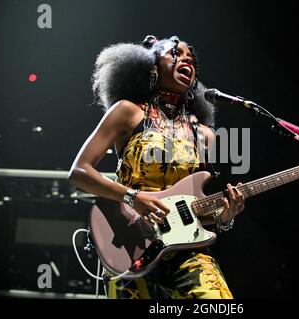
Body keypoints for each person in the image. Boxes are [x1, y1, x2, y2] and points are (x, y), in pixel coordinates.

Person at [68, 35, 245, 299]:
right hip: (128, 243)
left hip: (187, 250)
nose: (187, 59)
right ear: (150, 65)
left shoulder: (204, 134)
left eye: (191, 58)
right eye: (176, 53)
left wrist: (224, 217)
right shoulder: (127, 112)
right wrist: (132, 196)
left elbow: (193, 207)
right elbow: (80, 172)